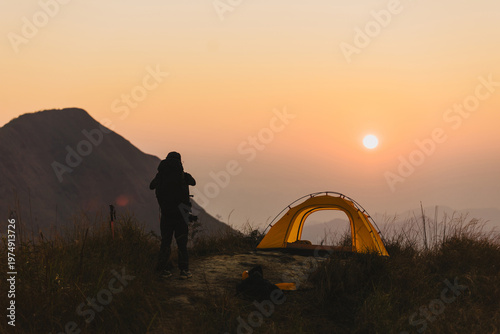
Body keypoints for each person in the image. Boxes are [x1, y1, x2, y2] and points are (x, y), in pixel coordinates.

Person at [149, 151, 196, 279]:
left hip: (166, 215)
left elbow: (151, 186)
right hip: (181, 216)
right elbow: (193, 182)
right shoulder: (183, 176)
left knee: (165, 243)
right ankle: (184, 271)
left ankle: (163, 270)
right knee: (182, 243)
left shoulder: (160, 176)